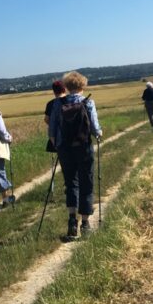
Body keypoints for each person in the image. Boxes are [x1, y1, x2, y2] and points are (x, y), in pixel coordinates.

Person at [48, 71, 102, 239]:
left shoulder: (58, 104)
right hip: (83, 147)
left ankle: (72, 221)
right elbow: (94, 128)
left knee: (71, 183)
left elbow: (51, 130)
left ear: (67, 86)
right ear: (82, 86)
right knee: (87, 182)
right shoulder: (88, 103)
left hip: (64, 148)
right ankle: (85, 224)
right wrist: (99, 134)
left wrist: (58, 145)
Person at [44, 80, 67, 152]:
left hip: (56, 136)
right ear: (64, 89)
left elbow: (46, 119)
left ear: (54, 91)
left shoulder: (50, 104)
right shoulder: (70, 100)